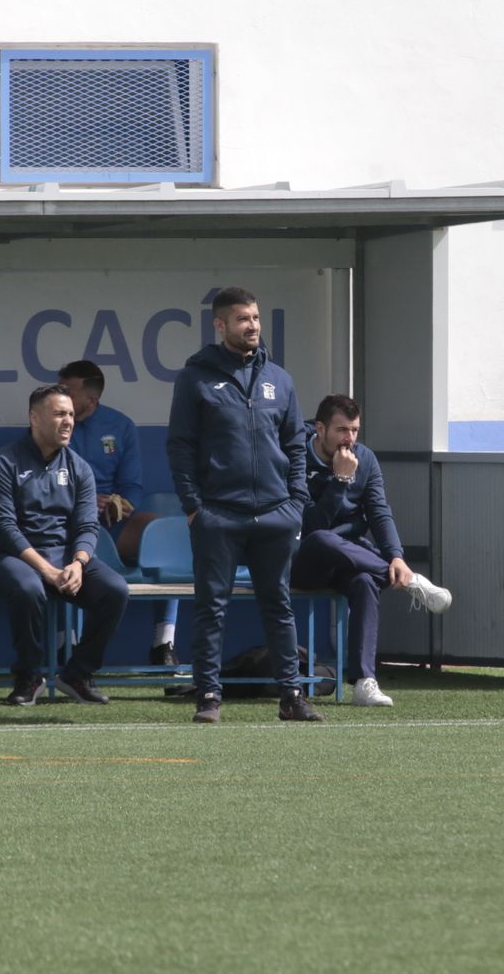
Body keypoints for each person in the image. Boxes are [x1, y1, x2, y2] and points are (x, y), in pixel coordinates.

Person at [166, 286, 321, 724]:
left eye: (255, 318)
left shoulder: (280, 379)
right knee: (211, 608)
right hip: (218, 513)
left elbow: (295, 443)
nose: (252, 326)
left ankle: (291, 696)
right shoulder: (195, 378)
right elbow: (180, 445)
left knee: (279, 606)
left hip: (275, 513)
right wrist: (194, 506)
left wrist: (296, 502)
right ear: (220, 325)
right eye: (242, 319)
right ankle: (208, 697)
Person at [292, 394, 452, 707]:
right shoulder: (297, 458)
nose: (349, 439)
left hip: (350, 557)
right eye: (341, 430)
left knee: (365, 582)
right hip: (304, 560)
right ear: (321, 429)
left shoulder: (365, 458)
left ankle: (365, 681)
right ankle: (411, 583)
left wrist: (396, 557)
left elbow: (379, 512)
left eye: (354, 430)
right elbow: (311, 524)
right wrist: (340, 479)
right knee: (322, 538)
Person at [0, 384, 127, 707]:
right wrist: (46, 570)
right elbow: (4, 527)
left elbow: (87, 526)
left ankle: (77, 673)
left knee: (115, 590)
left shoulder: (79, 468)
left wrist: (78, 562)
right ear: (35, 418)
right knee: (28, 588)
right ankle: (29, 676)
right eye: (59, 414)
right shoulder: (4, 461)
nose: (68, 422)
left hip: (65, 557)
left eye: (71, 415)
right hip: (13, 557)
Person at [58, 359, 178, 666]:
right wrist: (84, 501)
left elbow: (132, 487)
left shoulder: (120, 426)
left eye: (69, 392)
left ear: (91, 398)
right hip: (66, 524)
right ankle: (65, 641)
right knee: (52, 543)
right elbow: (42, 484)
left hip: (110, 526)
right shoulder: (52, 424)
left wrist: (119, 505)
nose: (61, 398)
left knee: (164, 541)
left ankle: (163, 643)